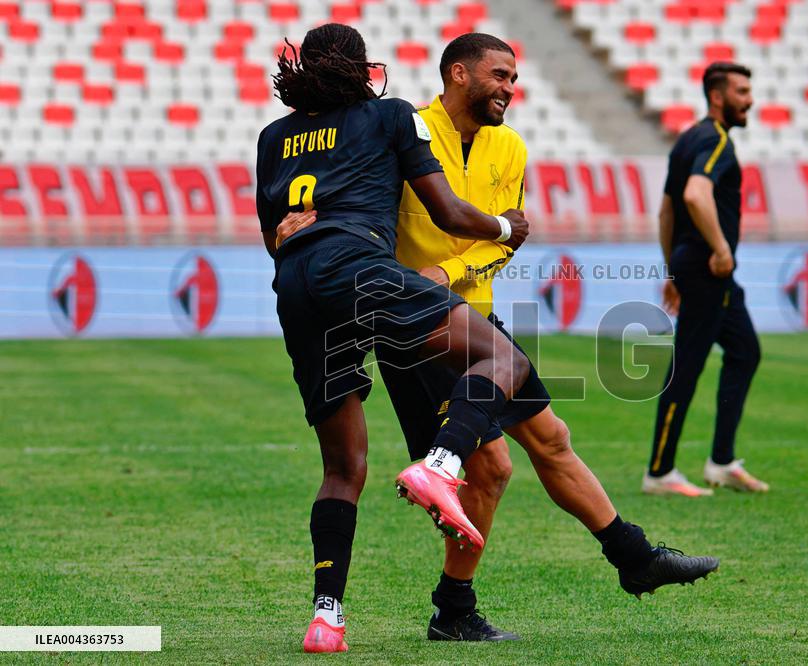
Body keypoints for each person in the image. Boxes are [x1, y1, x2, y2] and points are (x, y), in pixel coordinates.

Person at [277, 33, 720, 643]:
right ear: (459, 74)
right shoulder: (402, 128)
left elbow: (506, 239)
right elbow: (361, 205)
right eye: (500, 75)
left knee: (551, 438)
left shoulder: (510, 147)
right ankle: (454, 605)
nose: (510, 88)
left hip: (470, 311)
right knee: (490, 466)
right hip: (415, 325)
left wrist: (452, 271)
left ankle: (633, 557)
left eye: (514, 78)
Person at [256, 23, 533, 653]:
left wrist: (295, 235)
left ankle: (326, 618)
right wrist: (504, 227)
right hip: (359, 266)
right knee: (501, 356)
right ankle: (441, 464)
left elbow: (274, 236)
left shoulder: (273, 137)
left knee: (342, 467)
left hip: (295, 284)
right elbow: (448, 213)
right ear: (363, 69)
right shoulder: (389, 115)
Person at [643, 62, 769, 498]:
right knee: (688, 365)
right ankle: (660, 472)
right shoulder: (716, 141)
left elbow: (666, 211)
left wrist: (671, 270)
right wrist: (721, 249)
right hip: (707, 269)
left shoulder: (687, 139)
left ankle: (722, 462)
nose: (750, 99)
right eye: (741, 91)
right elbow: (696, 195)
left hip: (693, 268)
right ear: (718, 97)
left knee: (745, 351)